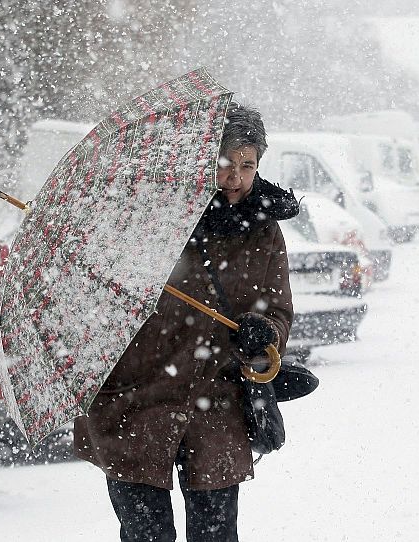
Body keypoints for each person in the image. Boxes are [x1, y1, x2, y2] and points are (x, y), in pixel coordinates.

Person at [74, 103, 299, 541]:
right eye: (224, 163)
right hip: (136, 399)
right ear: (201, 161)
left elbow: (278, 309)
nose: (235, 178)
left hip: (217, 400)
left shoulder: (263, 229)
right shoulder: (147, 217)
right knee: (146, 535)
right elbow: (102, 303)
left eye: (247, 165)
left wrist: (264, 334)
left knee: (215, 535)